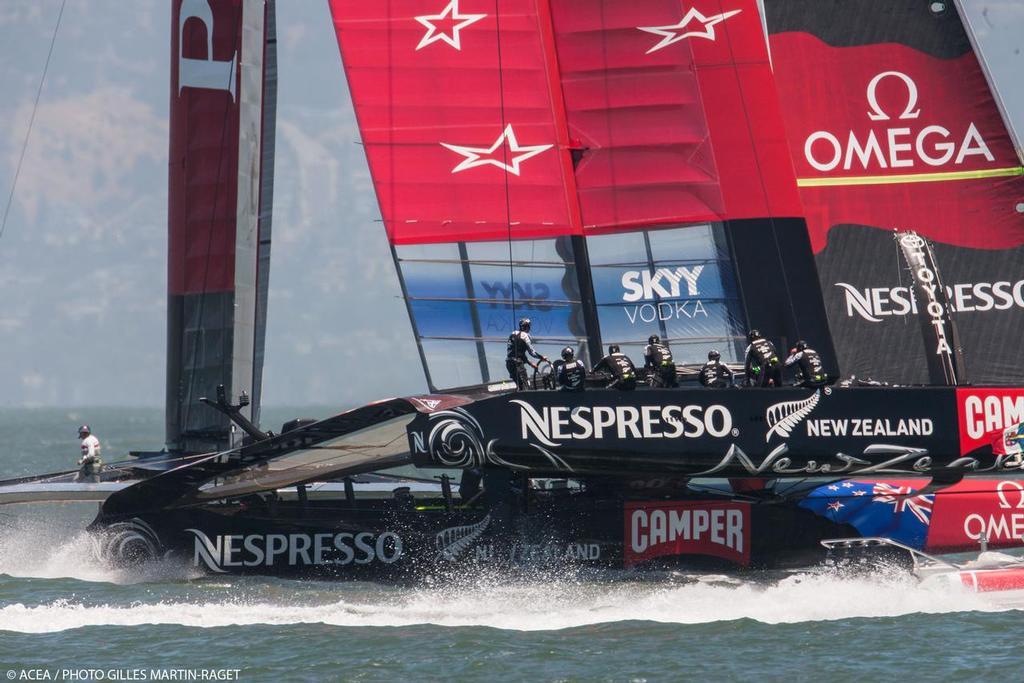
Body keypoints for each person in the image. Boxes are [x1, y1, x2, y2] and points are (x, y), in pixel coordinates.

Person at [506, 318, 547, 390]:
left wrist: (530, 363)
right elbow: (532, 352)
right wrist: (541, 357)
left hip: (509, 363)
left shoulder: (512, 334)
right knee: (526, 386)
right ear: (527, 327)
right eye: (529, 326)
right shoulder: (525, 335)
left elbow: (517, 353)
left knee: (520, 386)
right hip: (518, 364)